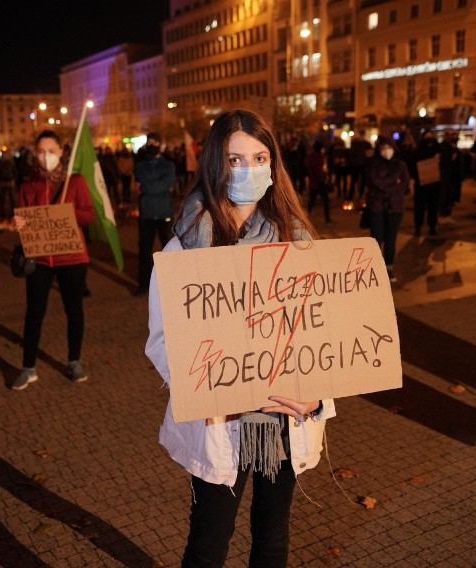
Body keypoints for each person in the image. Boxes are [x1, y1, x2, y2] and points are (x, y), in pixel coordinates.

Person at [145, 110, 335, 567]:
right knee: (209, 541)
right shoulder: (186, 247)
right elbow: (162, 340)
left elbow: (325, 333)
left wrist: (316, 397)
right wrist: (203, 389)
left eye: (259, 156)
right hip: (222, 420)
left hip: (283, 415)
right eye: (235, 158)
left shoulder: (300, 241)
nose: (248, 169)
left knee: (272, 536)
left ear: (274, 164)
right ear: (215, 164)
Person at [12, 130, 95, 389]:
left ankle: (74, 361)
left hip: (72, 257)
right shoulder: (28, 185)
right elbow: (25, 219)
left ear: (60, 152)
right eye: (40, 151)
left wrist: (64, 213)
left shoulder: (76, 182)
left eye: (50, 150)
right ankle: (28, 367)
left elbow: (89, 215)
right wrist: (20, 223)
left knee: (74, 311)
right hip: (41, 260)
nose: (45, 156)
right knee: (34, 313)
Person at [132, 132, 176, 297]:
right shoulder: (140, 166)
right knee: (144, 251)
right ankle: (143, 284)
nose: (151, 145)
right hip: (147, 214)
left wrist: (148, 187)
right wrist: (159, 187)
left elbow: (165, 183)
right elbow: (162, 186)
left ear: (159, 144)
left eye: (154, 142)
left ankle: (173, 282)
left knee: (169, 250)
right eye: (148, 142)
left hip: (164, 212)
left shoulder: (168, 165)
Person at [364, 137, 410, 283]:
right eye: (383, 148)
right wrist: (392, 182)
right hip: (376, 207)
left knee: (391, 240)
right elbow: (374, 181)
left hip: (395, 208)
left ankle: (389, 268)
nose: (386, 151)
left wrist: (386, 186)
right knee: (376, 240)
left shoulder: (401, 165)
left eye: (388, 147)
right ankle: (375, 269)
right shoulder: (374, 164)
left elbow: (404, 184)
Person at [412, 129, 441, 236]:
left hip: (434, 184)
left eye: (430, 136)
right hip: (421, 183)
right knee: (419, 206)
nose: (429, 138)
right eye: (427, 136)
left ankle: (432, 226)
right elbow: (413, 163)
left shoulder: (438, 149)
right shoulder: (418, 150)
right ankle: (418, 227)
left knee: (433, 206)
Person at [305, 139, 331, 225]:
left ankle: (305, 219)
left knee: (311, 202)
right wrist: (323, 177)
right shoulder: (318, 157)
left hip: (313, 182)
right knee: (325, 201)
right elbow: (317, 170)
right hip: (319, 182)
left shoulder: (311, 156)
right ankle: (327, 219)